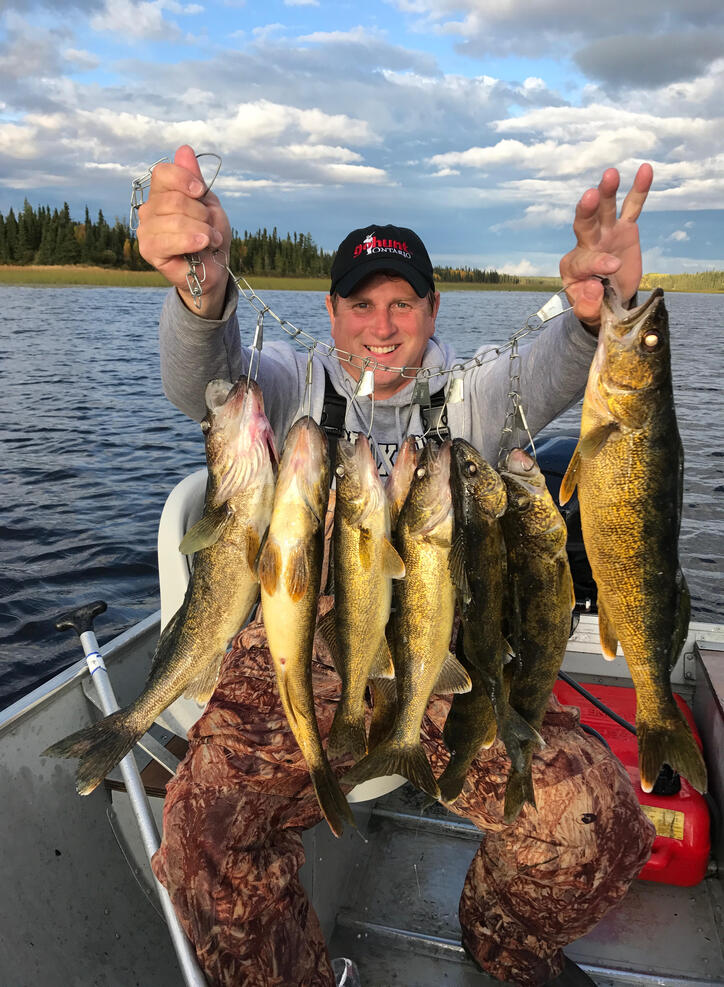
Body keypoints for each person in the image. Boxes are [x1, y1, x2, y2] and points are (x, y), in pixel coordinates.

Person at [137, 147, 656, 987]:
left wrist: (597, 314)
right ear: (332, 314)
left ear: (433, 308)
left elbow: (555, 363)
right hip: (302, 665)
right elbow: (204, 378)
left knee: (593, 813)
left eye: (403, 304)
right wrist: (202, 291)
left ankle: (502, 944)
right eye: (361, 306)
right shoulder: (289, 382)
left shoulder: (475, 393)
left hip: (445, 672)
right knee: (200, 829)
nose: (382, 327)